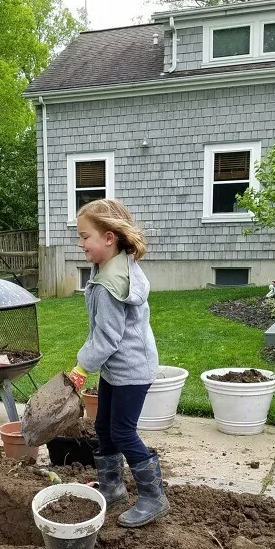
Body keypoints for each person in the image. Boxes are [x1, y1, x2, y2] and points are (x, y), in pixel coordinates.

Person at [68, 198, 166, 528]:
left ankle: (154, 498)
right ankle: (112, 487)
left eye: (85, 237)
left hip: (130, 369)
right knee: (103, 427)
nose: (81, 244)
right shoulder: (111, 266)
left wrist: (81, 369)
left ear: (109, 238)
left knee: (123, 432)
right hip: (117, 366)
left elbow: (107, 339)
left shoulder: (111, 284)